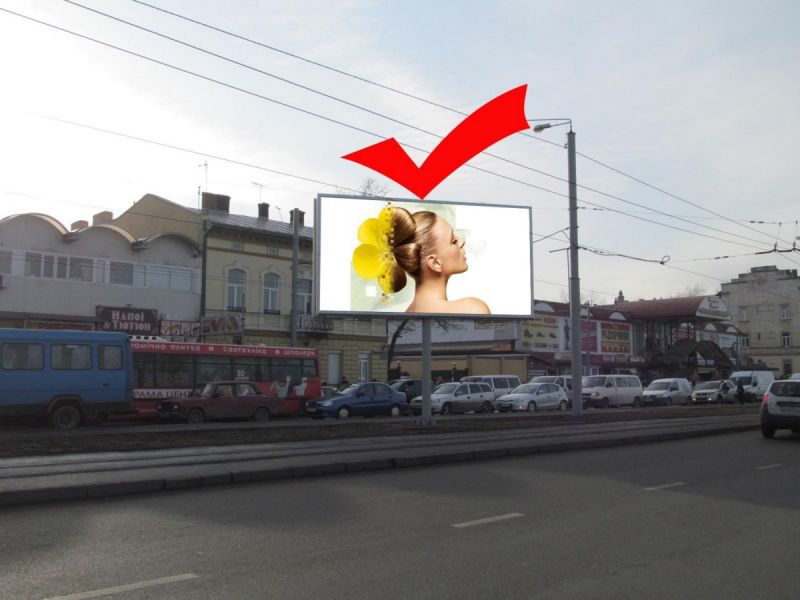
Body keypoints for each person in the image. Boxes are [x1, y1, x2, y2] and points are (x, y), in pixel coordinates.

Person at [384, 207, 490, 314]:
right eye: (453, 241)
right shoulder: (473, 310)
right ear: (435, 262)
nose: (461, 242)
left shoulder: (403, 318)